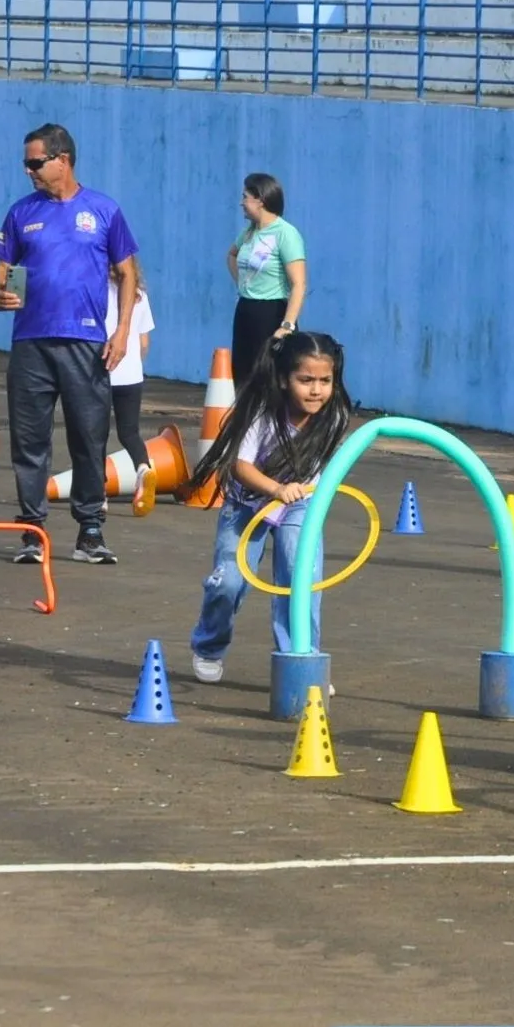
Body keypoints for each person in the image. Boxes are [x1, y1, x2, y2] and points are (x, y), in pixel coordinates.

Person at [0, 122, 139, 566]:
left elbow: (128, 272)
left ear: (63, 160)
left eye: (36, 162)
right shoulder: (20, 213)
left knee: (89, 439)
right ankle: (32, 531)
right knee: (30, 440)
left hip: (86, 342)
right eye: (26, 163)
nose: (29, 171)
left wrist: (123, 331)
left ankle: (90, 530)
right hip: (31, 342)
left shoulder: (104, 211)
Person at [181, 330, 349, 684]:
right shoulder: (263, 412)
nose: (316, 390)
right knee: (228, 582)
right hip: (248, 502)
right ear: (285, 379)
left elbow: (329, 471)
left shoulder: (332, 417)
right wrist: (276, 488)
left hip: (300, 505)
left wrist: (303, 493)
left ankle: (301, 659)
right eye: (306, 380)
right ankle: (209, 645)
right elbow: (240, 467)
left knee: (300, 579)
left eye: (325, 380)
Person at [226, 172, 306, 387]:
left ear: (260, 200)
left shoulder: (285, 233)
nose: (242, 203)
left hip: (272, 313)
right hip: (246, 310)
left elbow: (298, 284)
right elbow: (231, 254)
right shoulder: (249, 232)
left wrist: (287, 325)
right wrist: (243, 284)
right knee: (244, 377)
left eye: (245, 197)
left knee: (270, 379)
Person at [102, 260, 158, 515]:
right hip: (131, 373)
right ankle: (143, 468)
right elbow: (144, 342)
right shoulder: (139, 295)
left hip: (101, 371)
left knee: (95, 434)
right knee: (129, 432)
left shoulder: (99, 289)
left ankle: (98, 492)